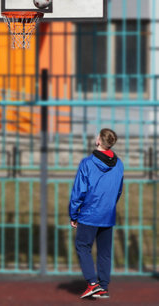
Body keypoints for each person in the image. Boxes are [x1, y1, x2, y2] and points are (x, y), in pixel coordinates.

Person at [69, 128, 123, 299]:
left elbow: (79, 191)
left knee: (83, 247)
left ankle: (92, 284)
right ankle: (104, 287)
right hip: (107, 214)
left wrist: (74, 214)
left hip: (89, 214)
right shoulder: (119, 164)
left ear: (99, 140)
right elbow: (118, 190)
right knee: (104, 252)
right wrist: (109, 206)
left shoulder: (87, 163)